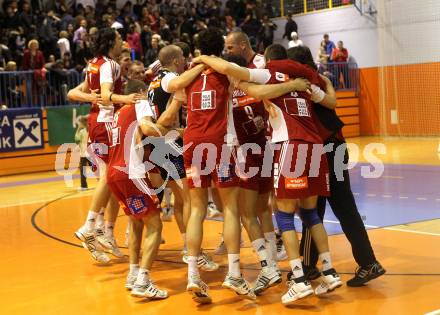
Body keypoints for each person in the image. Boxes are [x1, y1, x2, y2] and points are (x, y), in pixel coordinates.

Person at [287, 45, 386, 287]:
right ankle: (310, 265)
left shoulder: (305, 83)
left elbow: (328, 105)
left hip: (327, 150)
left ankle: (367, 262)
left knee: (330, 207)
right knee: (317, 207)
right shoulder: (317, 78)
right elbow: (332, 101)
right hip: (333, 148)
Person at [68, 27, 143, 263]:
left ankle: (100, 229)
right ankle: (91, 226)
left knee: (109, 177)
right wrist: (127, 99)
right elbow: (107, 94)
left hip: (97, 122)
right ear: (111, 41)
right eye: (119, 38)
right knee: (110, 176)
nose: (122, 40)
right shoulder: (110, 65)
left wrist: (94, 97)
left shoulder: (93, 63)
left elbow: (82, 93)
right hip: (107, 122)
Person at [107, 79, 168, 299]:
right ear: (140, 93)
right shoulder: (140, 102)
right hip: (131, 172)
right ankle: (143, 280)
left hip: (114, 174)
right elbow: (146, 128)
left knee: (135, 221)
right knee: (154, 224)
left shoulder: (118, 113)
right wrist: (169, 132)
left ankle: (133, 274)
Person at [75, 115, 90, 190]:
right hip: (90, 154)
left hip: (84, 154)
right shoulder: (89, 130)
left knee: (82, 170)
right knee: (96, 170)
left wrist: (78, 128)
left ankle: (84, 186)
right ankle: (102, 183)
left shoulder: (81, 131)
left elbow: (76, 138)